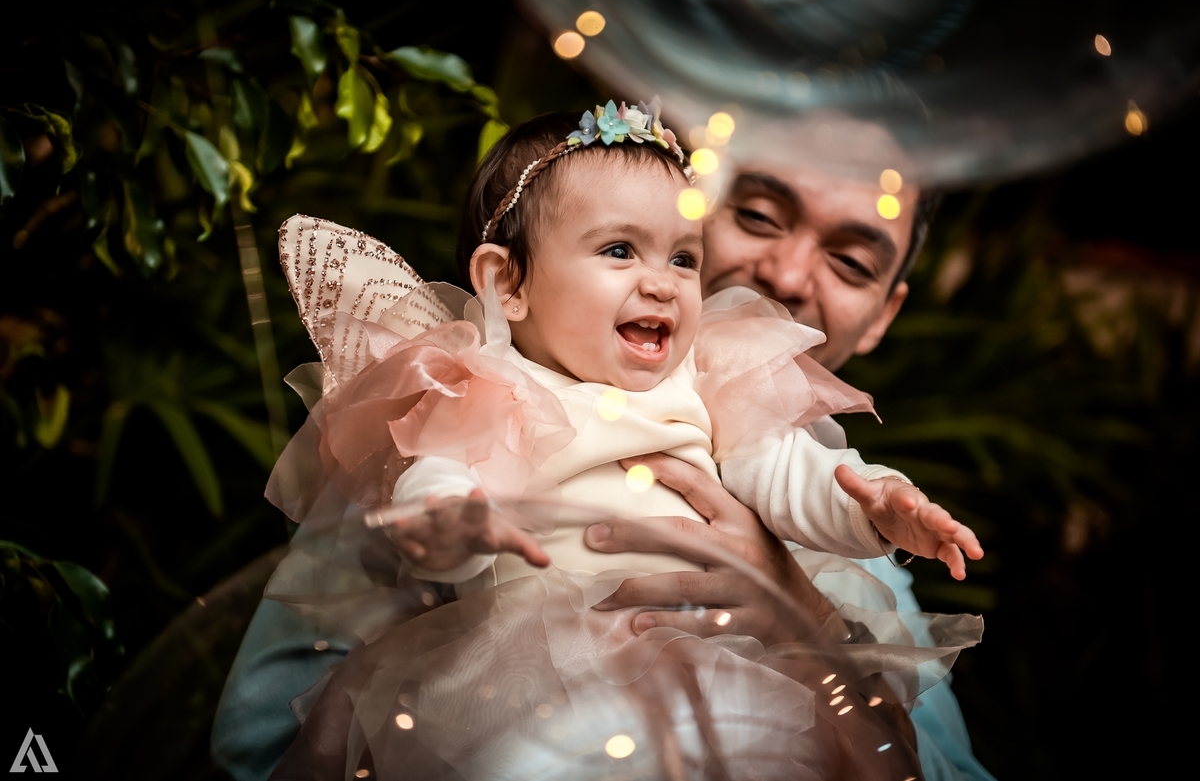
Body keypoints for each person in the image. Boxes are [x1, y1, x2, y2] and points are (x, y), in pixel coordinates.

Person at [213, 112, 993, 781]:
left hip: (733, 711)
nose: (788, 273)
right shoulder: (471, 392)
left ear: (884, 313)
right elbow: (258, 744)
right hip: (530, 690)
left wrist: (821, 608)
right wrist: (442, 534)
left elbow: (803, 475)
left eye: (851, 261)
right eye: (757, 215)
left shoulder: (748, 436)